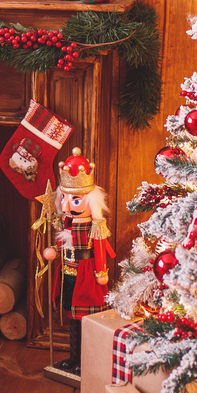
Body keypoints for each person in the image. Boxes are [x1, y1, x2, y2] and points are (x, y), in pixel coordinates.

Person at [41, 148, 114, 376]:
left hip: (87, 275)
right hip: (68, 274)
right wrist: (53, 250)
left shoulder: (94, 226)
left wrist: (101, 271)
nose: (67, 205)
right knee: (72, 318)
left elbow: (100, 249)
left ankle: (87, 358)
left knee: (86, 320)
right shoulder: (66, 224)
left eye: (75, 199)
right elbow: (64, 243)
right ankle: (74, 357)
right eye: (64, 198)